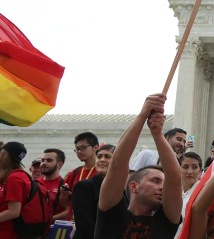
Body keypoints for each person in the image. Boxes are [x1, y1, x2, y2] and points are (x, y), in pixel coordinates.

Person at [95, 93, 182, 238]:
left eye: (163, 183)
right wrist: (142, 116)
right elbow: (117, 164)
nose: (162, 187)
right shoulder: (110, 212)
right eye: (155, 181)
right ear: (133, 186)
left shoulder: (166, 222)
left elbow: (175, 178)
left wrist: (158, 135)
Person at [72, 144, 115, 239]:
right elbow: (85, 227)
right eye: (99, 156)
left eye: (107, 157)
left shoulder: (122, 188)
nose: (102, 160)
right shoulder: (83, 186)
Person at [38, 148, 70, 220]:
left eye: (49, 160)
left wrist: (49, 220)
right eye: (42, 160)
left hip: (55, 229)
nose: (44, 163)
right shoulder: (33, 183)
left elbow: (69, 211)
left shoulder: (65, 185)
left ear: (59, 165)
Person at [64, 132, 100, 197]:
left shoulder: (102, 171)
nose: (79, 152)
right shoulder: (74, 173)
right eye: (77, 149)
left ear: (96, 147)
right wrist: (64, 196)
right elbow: (63, 203)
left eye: (83, 147)